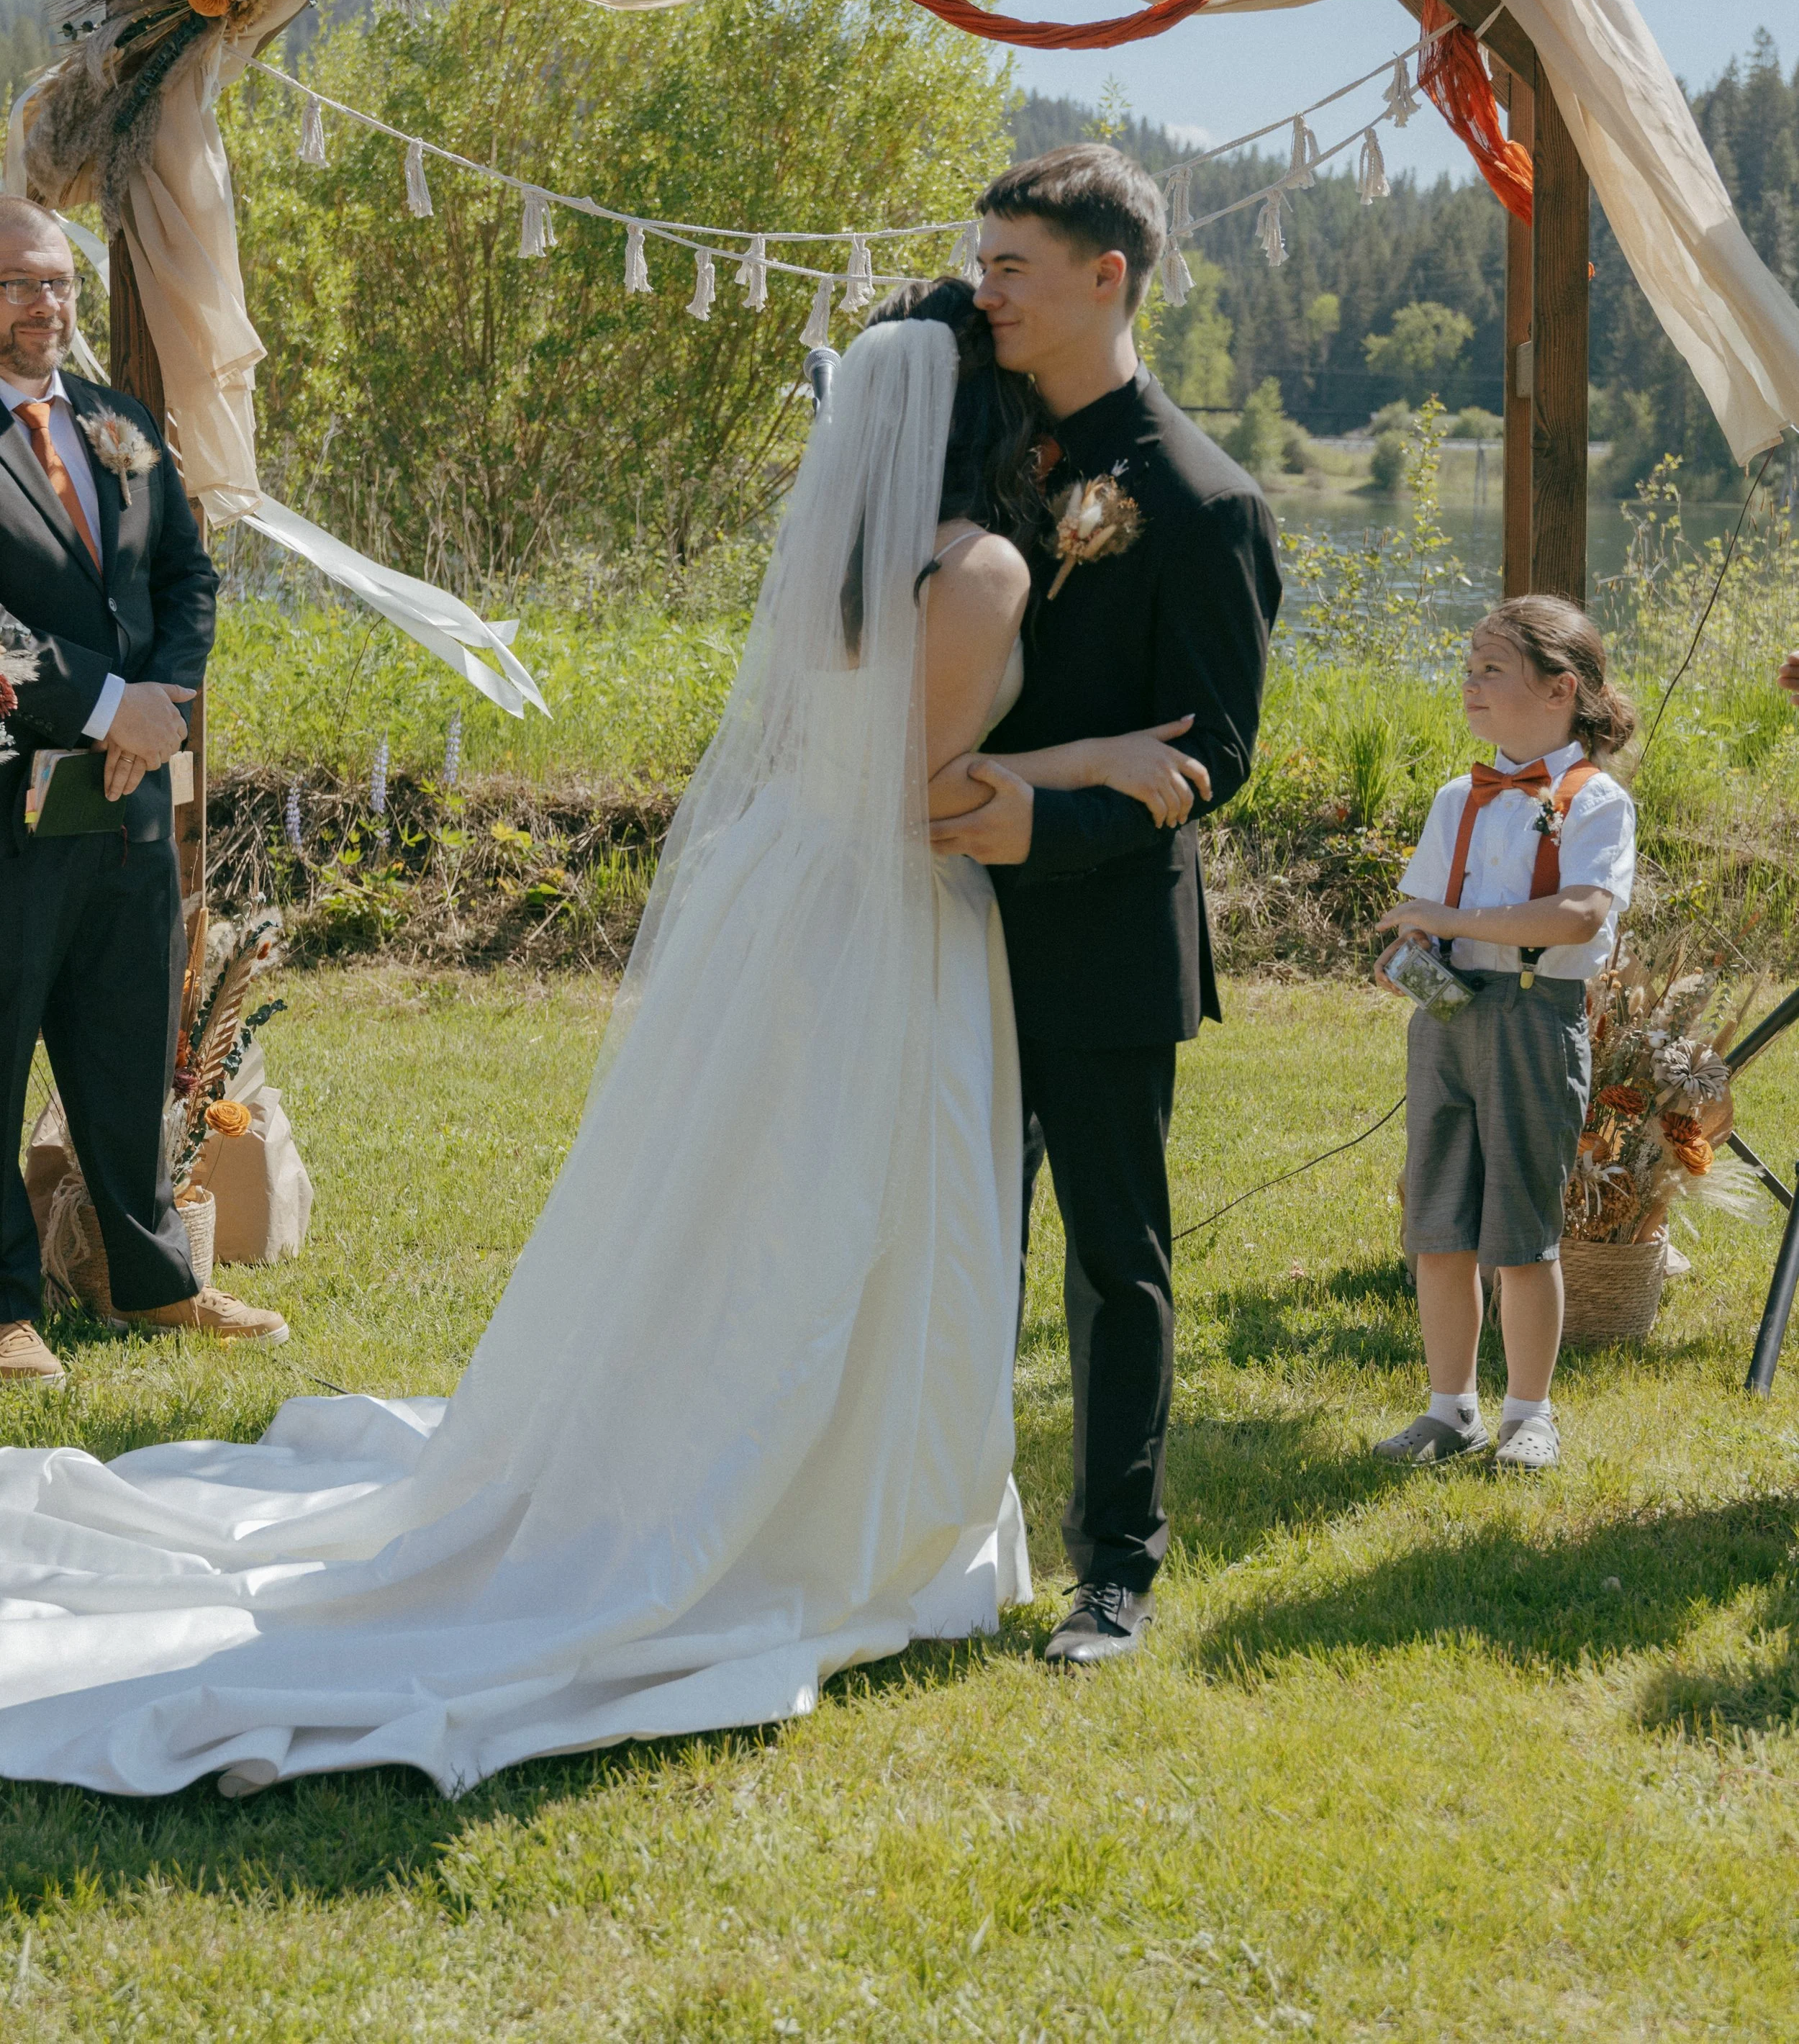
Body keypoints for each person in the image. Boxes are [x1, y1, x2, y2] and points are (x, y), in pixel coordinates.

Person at [0, 309, 1209, 1799]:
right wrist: (1093, 759)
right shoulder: (980, 567)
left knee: (742, 1200)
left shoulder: (852, 554)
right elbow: (918, 789)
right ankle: (831, 1503)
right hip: (882, 915)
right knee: (853, 1206)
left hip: (791, 897)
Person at [928, 147, 1282, 1665]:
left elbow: (1215, 752)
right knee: (944, 1234)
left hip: (1096, 935)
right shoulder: (973, 443)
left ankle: (1113, 1571)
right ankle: (927, 1529)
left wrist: (1041, 817)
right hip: (932, 916)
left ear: (1105, 277)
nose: (982, 289)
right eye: (982, 261)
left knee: (1109, 1259)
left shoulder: (1205, 502)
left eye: (1012, 266)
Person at [0, 198, 286, 1378]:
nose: (48, 305)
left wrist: (164, 699)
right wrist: (104, 705)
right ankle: (6, 1309)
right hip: (11, 813)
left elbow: (187, 572)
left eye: (61, 282)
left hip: (124, 812)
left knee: (125, 1054)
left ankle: (154, 1281)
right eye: (22, 284)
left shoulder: (116, 423)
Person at [1373, 596, 1638, 1473]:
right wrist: (1417, 945)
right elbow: (1425, 910)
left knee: (1521, 1226)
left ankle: (1530, 1412)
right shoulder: (1460, 796)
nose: (1469, 683)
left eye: (1491, 668)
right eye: (1467, 667)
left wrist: (1451, 915)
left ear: (1560, 687)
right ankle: (1450, 1408)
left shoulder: (1594, 801)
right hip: (1447, 1019)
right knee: (1437, 1217)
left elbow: (1577, 915)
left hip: (1533, 1017)